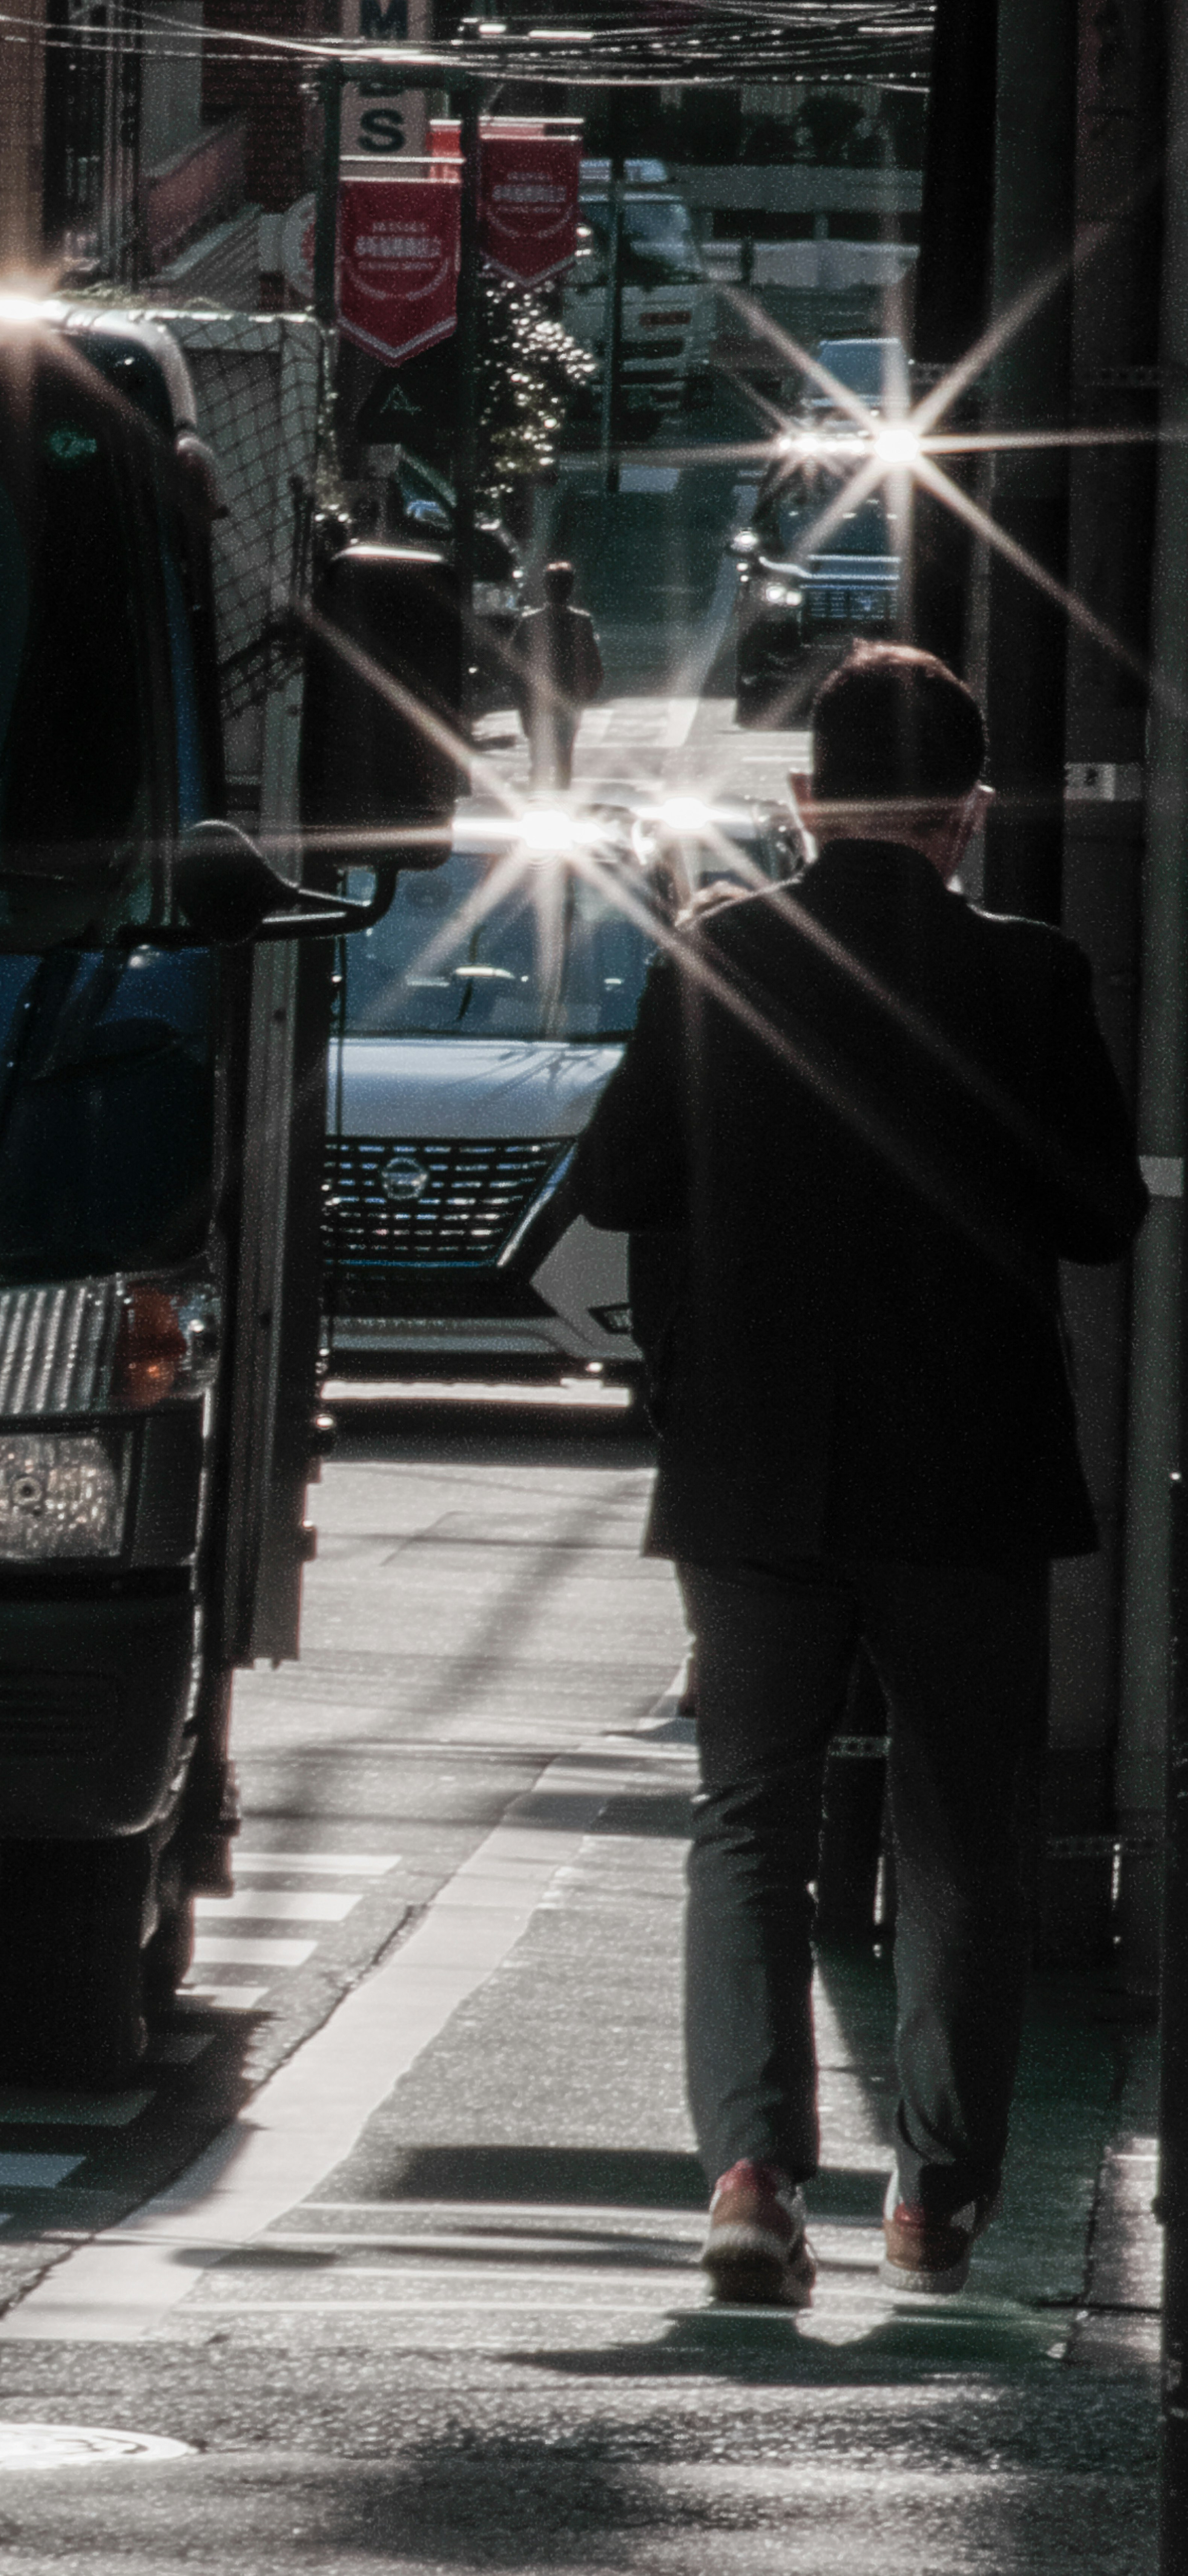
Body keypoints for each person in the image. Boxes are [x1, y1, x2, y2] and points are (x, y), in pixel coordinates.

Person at [574, 642, 1148, 2308]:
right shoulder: (1028, 980)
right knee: (961, 1827)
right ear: (968, 812)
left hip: (752, 1463)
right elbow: (1098, 1213)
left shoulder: (720, 955)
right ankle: (936, 2192)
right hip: (964, 1472)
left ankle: (750, 2178)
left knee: (747, 1813)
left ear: (803, 802)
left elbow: (617, 1180)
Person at [510, 559, 604, 790]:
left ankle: (538, 805)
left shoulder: (529, 622)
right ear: (571, 589)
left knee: (539, 759)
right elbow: (596, 668)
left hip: (536, 702)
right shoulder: (582, 623)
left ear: (545, 588)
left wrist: (521, 699)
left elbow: (513, 665)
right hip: (568, 701)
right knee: (563, 757)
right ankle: (562, 802)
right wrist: (584, 696)